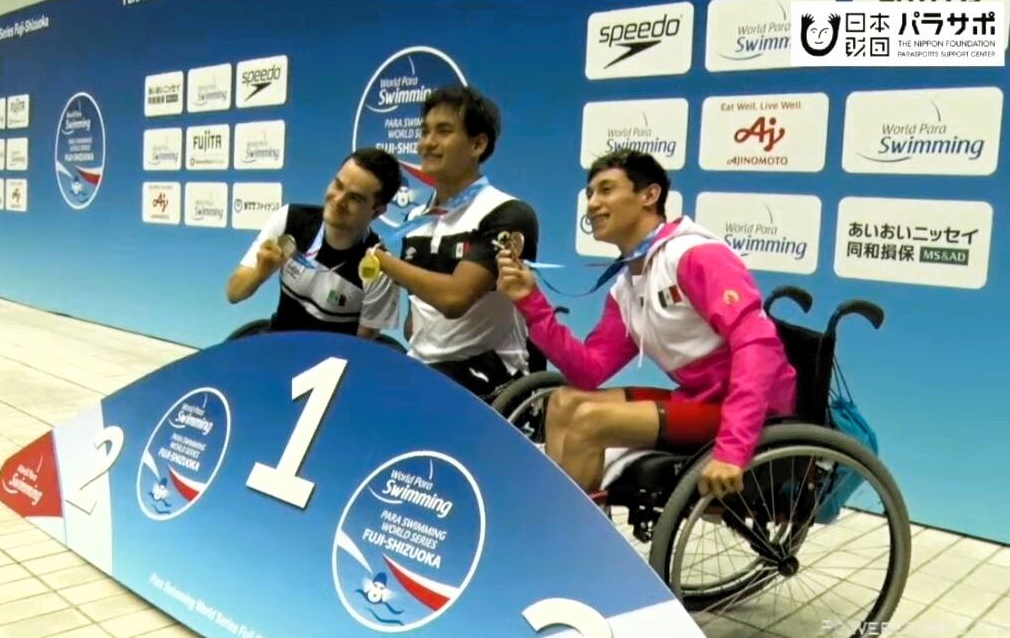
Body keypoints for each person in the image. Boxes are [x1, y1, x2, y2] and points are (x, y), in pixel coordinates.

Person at [495, 149, 797, 499]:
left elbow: (758, 346)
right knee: (564, 402)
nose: (592, 203)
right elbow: (588, 372)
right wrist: (530, 302)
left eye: (606, 190)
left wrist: (732, 450)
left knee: (591, 420)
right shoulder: (629, 284)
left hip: (753, 412)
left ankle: (563, 527)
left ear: (650, 195)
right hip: (699, 400)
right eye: (590, 193)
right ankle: (565, 514)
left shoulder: (695, 256)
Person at [366, 85, 540, 401]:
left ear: (477, 144)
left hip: (491, 373)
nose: (427, 143)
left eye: (443, 131)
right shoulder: (415, 218)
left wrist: (383, 261)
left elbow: (454, 300)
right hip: (424, 367)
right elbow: (414, 323)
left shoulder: (508, 213)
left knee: (402, 401)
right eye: (425, 131)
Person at [226, 147, 403, 339]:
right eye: (338, 185)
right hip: (279, 343)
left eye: (354, 198)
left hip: (336, 355)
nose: (338, 200)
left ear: (377, 212)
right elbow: (234, 294)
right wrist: (260, 273)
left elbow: (362, 346)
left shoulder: (379, 268)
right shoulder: (289, 220)